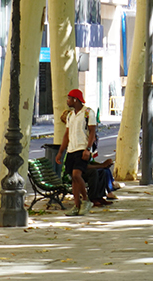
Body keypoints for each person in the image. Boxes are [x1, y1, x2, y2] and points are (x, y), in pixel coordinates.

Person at [57, 88, 97, 217]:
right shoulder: (70, 115)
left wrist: (88, 149)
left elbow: (92, 132)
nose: (67, 101)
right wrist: (60, 152)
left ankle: (85, 200)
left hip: (82, 148)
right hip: (71, 149)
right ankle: (76, 205)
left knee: (76, 174)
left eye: (69, 98)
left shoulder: (88, 113)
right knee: (73, 178)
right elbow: (66, 135)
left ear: (75, 99)